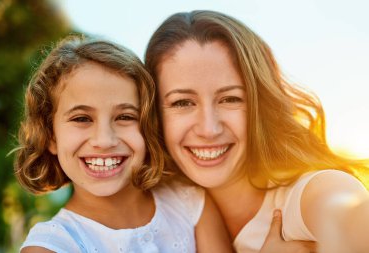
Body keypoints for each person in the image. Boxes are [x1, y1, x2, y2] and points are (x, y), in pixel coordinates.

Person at [145, 10, 369, 253]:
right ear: (154, 112)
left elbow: (342, 211)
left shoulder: (302, 196)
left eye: (230, 99)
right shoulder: (157, 212)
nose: (209, 129)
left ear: (260, 104)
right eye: (182, 103)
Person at [14, 35, 234, 252]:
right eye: (82, 119)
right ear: (51, 136)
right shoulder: (52, 246)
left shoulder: (189, 203)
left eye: (125, 117)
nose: (104, 140)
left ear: (148, 126)